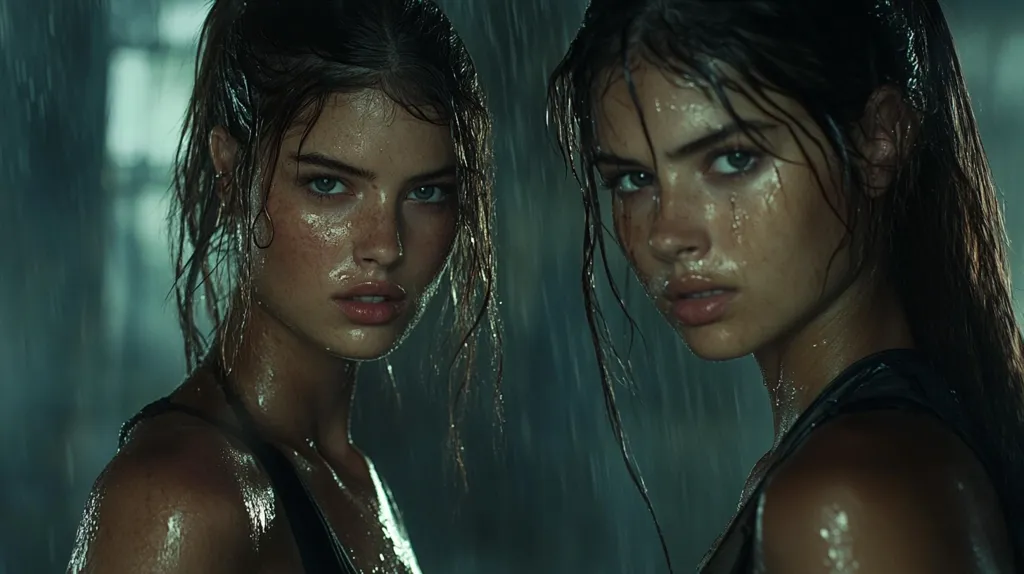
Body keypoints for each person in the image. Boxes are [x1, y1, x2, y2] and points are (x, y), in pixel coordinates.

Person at [548, 0, 1023, 571]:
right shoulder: (863, 461)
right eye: (633, 179)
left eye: (733, 159)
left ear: (878, 139)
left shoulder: (849, 496)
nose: (667, 234)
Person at [67, 0, 501, 572]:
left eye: (426, 192)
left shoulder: (355, 479)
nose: (386, 246)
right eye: (328, 185)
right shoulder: (178, 499)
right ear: (231, 174)